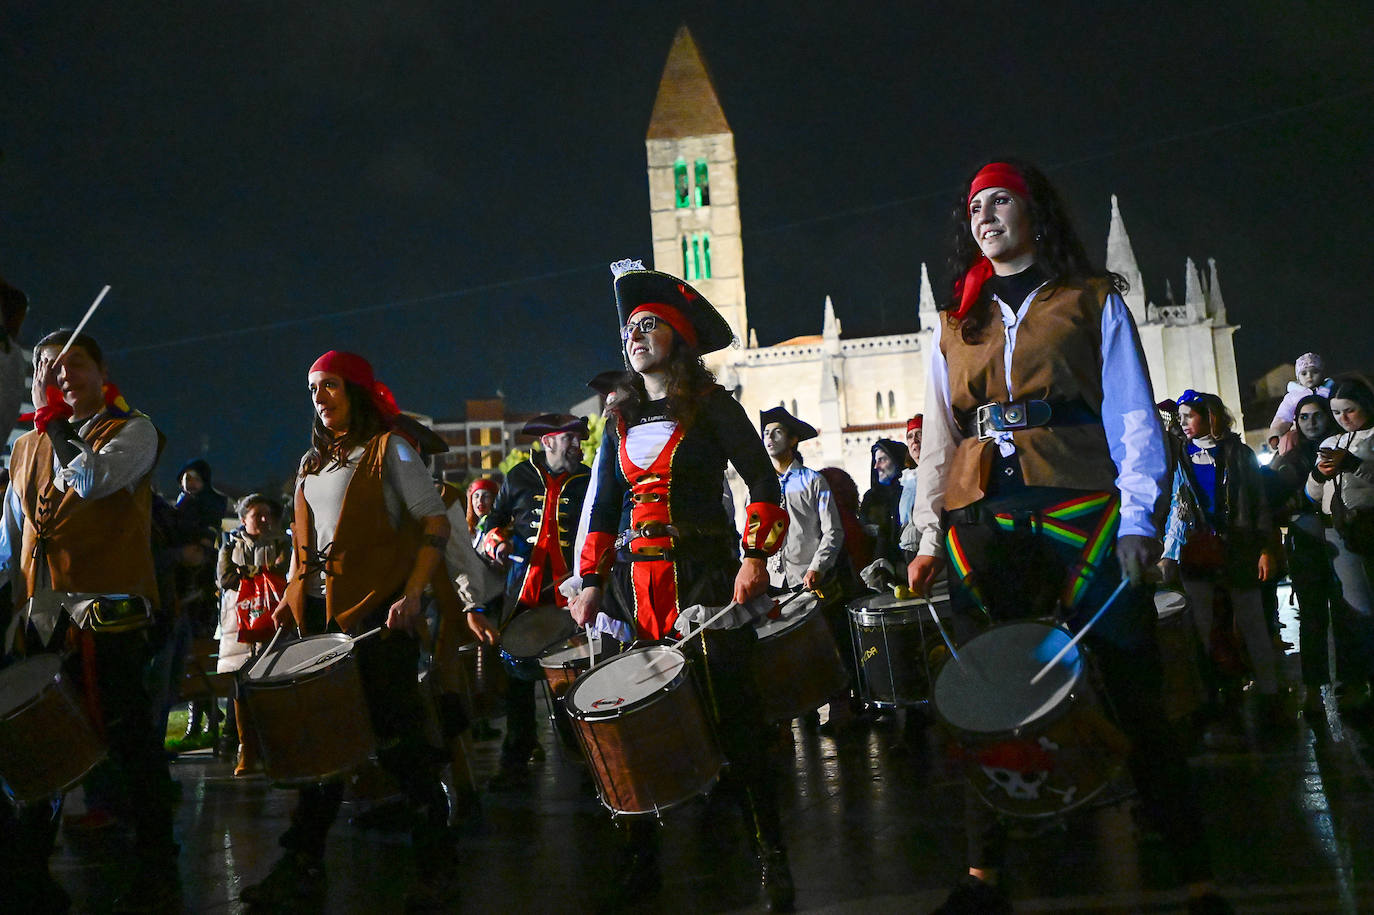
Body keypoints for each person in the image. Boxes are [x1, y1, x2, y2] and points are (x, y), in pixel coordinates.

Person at [907, 160, 1228, 914]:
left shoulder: (1091, 301)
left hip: (1082, 511)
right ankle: (984, 873)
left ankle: (1197, 874)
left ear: (1034, 214)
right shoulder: (956, 325)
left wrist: (1141, 519)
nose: (985, 215)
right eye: (975, 206)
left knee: (1134, 685)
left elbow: (1132, 416)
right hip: (983, 518)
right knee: (987, 692)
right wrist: (927, 535)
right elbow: (938, 440)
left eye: (1001, 202)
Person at [567, 261, 794, 912]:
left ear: (678, 338)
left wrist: (754, 558)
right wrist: (587, 582)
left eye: (648, 326)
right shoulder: (616, 422)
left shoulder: (713, 406)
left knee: (735, 716)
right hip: (634, 591)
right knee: (632, 722)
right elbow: (605, 505)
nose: (635, 336)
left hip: (707, 578)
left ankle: (769, 851)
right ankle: (641, 865)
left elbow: (763, 481)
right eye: (628, 329)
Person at [241, 350, 485, 911]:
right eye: (311, 389)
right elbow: (309, 547)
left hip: (380, 615)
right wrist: (288, 601)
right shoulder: (310, 464)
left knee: (401, 743)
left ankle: (437, 864)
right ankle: (303, 863)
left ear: (356, 390)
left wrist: (414, 592)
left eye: (328, 386)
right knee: (322, 743)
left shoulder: (389, 450)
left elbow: (433, 522)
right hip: (321, 619)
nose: (318, 398)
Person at [0, 328, 179, 912]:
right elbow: (9, 540)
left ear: (102, 375)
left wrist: (55, 425)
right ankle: (30, 874)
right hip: (40, 619)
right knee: (37, 746)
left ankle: (159, 867)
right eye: (49, 366)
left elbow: (94, 479)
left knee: (131, 748)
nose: (61, 375)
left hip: (110, 619)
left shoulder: (133, 431)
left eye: (75, 365)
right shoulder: (23, 449)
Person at [477, 412, 591, 788]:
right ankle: (517, 753)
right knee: (518, 682)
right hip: (523, 593)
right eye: (571, 439)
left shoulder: (589, 479)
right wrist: (496, 541)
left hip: (569, 596)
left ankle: (584, 754)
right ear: (548, 442)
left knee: (573, 677)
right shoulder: (518, 477)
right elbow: (491, 521)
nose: (578, 446)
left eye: (579, 439)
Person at [1161, 390, 1281, 721]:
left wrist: (1265, 547)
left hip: (1238, 547)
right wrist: (1170, 552)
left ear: (1209, 416)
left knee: (1252, 620)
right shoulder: (1181, 456)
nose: (1183, 423)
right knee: (1204, 625)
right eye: (1180, 417)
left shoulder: (1238, 453)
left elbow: (1257, 502)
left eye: (1190, 416)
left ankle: (1270, 690)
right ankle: (1218, 692)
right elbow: (1176, 504)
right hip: (1197, 550)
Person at [1270, 394, 1345, 717]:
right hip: (1307, 543)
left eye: (1317, 415)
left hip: (1344, 542)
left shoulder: (1346, 448)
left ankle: (1353, 682)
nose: (1311, 422)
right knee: (1312, 619)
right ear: (1296, 422)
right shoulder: (1290, 458)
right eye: (1304, 417)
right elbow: (1276, 501)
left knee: (1349, 615)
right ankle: (1313, 689)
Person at [1306, 376, 1374, 713]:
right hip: (1337, 529)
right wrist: (1319, 474)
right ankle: (1358, 680)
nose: (1343, 418)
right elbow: (1313, 493)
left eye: (1350, 410)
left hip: (1369, 524)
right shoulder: (1332, 440)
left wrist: (1354, 465)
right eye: (1336, 412)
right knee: (1353, 608)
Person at [216, 492, 291, 773]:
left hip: (273, 624)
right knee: (241, 690)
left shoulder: (283, 543)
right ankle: (246, 750)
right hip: (239, 625)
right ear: (243, 518)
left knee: (275, 686)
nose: (263, 519)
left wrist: (248, 572)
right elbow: (226, 578)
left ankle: (276, 749)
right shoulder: (230, 545)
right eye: (256, 514)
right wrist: (260, 572)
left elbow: (284, 571)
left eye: (267, 514)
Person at [860, 437, 909, 569]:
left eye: (882, 460)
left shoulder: (909, 493)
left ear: (896, 461)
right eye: (875, 461)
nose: (876, 467)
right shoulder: (870, 498)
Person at [1269, 352, 1334, 445]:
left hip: (1328, 431)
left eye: (1315, 372)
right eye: (1304, 373)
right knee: (1288, 441)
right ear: (1298, 377)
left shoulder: (1330, 390)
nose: (1309, 376)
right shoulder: (1293, 396)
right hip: (1301, 434)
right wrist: (1275, 434)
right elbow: (1283, 417)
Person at [465, 476, 499, 542]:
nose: (480, 500)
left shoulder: (501, 529)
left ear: (494, 500)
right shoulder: (466, 529)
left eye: (486, 496)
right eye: (476, 496)